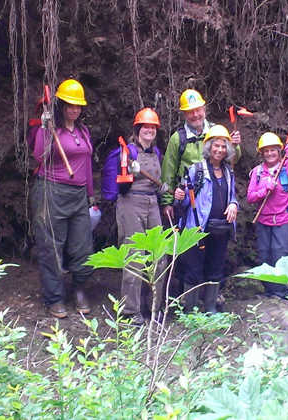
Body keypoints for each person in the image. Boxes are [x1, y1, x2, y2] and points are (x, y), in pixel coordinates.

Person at [29, 79, 95, 319]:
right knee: (51, 248)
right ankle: (54, 298)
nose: (74, 110)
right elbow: (38, 155)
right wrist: (45, 129)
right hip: (51, 191)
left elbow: (86, 164)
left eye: (78, 106)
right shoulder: (50, 129)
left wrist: (90, 195)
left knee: (82, 246)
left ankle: (79, 290)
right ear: (61, 105)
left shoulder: (82, 131)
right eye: (69, 105)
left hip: (78, 195)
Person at [100, 108, 165, 325]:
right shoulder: (127, 152)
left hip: (153, 202)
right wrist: (127, 168)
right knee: (134, 256)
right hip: (131, 203)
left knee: (159, 256)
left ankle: (154, 307)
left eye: (152, 127)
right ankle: (130, 312)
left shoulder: (156, 153)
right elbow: (116, 183)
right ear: (137, 129)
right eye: (145, 126)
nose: (149, 130)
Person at [173, 125, 238, 313]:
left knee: (215, 269)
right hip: (198, 229)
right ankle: (190, 311)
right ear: (209, 147)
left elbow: (232, 195)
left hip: (221, 229)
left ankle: (210, 308)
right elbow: (185, 201)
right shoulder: (197, 170)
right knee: (193, 270)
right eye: (216, 145)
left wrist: (233, 204)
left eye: (223, 146)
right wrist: (180, 195)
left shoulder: (228, 172)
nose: (219, 150)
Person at [160, 89, 241, 226]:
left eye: (198, 110)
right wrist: (167, 202)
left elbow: (233, 160)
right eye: (190, 111)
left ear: (204, 109)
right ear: (184, 114)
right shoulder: (178, 138)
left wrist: (235, 146)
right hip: (187, 196)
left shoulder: (216, 131)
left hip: (215, 192)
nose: (195, 115)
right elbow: (168, 172)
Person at [246, 132, 288, 298]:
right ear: (261, 153)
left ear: (279, 151)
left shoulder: (286, 168)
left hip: (284, 220)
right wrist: (264, 190)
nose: (270, 154)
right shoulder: (257, 172)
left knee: (281, 254)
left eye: (273, 150)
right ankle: (270, 291)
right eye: (266, 151)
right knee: (265, 254)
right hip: (264, 220)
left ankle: (283, 292)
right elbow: (250, 197)